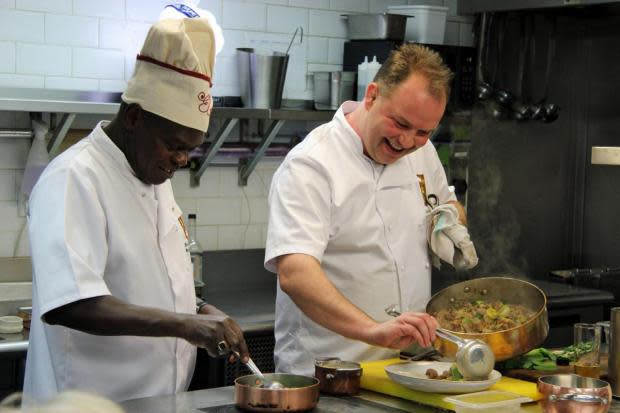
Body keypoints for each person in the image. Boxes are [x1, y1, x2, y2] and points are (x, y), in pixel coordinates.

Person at [24, 17, 248, 403]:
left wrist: (200, 309)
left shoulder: (153, 174)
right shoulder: (75, 177)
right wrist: (187, 325)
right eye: (174, 145)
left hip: (157, 402)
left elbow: (147, 279)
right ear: (133, 118)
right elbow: (73, 304)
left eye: (190, 150)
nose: (180, 160)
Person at [264, 44, 476, 375]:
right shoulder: (311, 164)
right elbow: (295, 273)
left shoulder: (423, 153)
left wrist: (449, 222)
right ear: (372, 95)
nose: (407, 142)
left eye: (423, 131)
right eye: (400, 123)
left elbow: (446, 204)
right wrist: (372, 331)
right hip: (330, 372)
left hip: (411, 369)